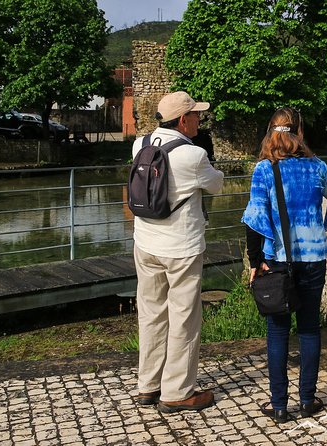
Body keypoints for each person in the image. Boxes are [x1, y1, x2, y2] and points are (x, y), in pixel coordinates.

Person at [242, 107, 327, 423]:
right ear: (298, 133)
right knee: (308, 328)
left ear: (270, 133)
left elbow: (254, 219)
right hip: (314, 258)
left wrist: (256, 261)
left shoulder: (264, 170)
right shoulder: (318, 168)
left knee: (277, 331)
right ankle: (307, 400)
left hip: (277, 260)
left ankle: (279, 406)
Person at [131, 91, 224, 413]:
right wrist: (210, 161)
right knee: (184, 319)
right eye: (196, 114)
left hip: (145, 243)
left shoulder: (140, 145)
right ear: (184, 120)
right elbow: (217, 185)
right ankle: (177, 391)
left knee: (152, 315)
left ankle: (148, 386)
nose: (200, 118)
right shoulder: (193, 155)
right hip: (181, 248)